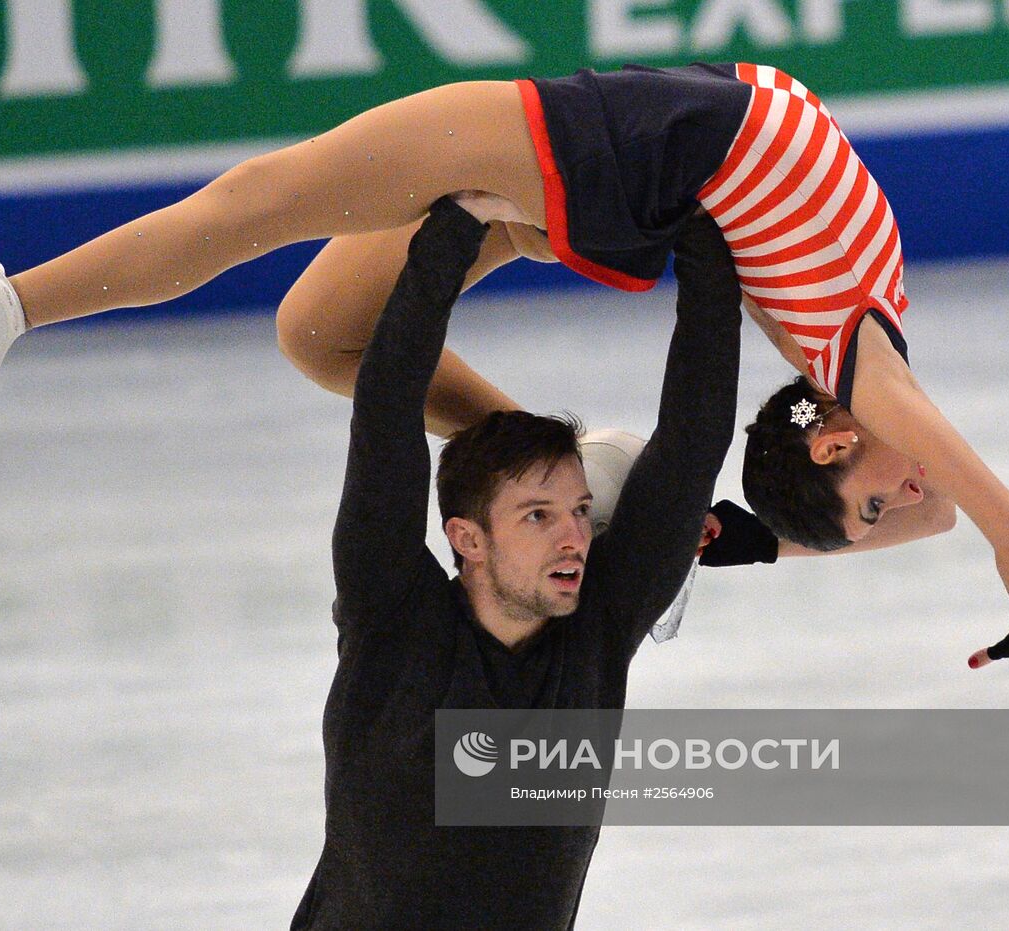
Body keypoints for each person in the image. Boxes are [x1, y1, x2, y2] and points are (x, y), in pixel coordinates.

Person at [0, 62, 1009, 710]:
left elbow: (804, 502)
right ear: (840, 441)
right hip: (634, 144)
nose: (927, 481)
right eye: (907, 497)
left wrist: (723, 524)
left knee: (312, 305)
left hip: (633, 178)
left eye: (899, 510)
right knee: (292, 254)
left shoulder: (835, 345)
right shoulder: (863, 359)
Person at [293, 197, 740, 928]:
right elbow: (386, 407)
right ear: (467, 537)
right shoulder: (392, 621)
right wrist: (460, 228)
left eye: (577, 511)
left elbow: (693, 440)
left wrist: (700, 238)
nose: (573, 536)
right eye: (538, 516)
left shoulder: (597, 628)